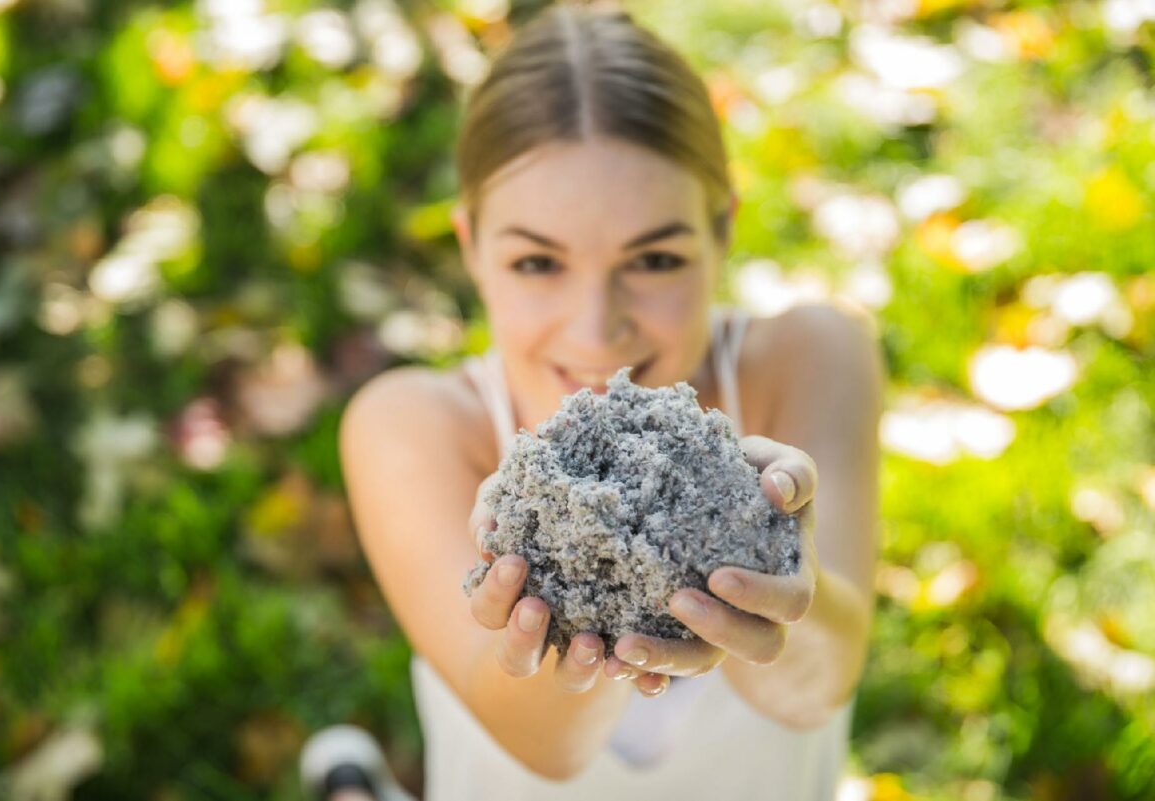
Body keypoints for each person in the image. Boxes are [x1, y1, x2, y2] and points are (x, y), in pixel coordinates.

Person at [332, 3, 883, 799]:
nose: (598, 331)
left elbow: (811, 687)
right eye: (536, 263)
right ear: (471, 248)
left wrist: (783, 569)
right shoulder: (411, 427)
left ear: (721, 232)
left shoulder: (813, 359)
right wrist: (569, 599)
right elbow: (543, 750)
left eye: (654, 258)